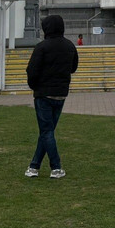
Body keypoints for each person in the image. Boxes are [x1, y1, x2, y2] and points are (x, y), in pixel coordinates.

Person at [25, 14, 79, 179]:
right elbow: (73, 67)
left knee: (46, 131)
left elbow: (31, 70)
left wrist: (35, 86)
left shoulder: (42, 47)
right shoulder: (70, 46)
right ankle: (33, 167)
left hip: (43, 94)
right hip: (61, 94)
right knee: (47, 131)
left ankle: (56, 167)